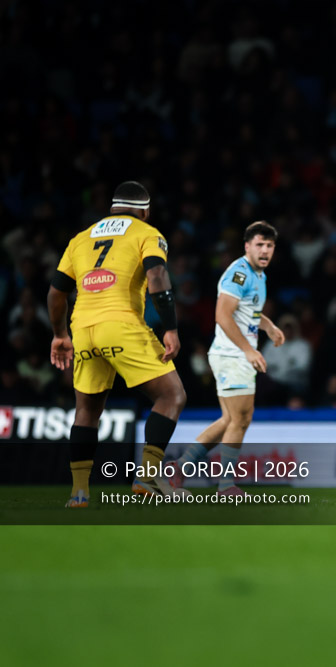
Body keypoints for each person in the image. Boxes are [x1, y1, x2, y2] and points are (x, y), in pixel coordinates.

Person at [48, 180, 187, 507]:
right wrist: (170, 327)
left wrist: (59, 334)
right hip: (121, 325)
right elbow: (156, 276)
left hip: (83, 329)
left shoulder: (80, 239)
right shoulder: (147, 233)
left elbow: (56, 293)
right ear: (145, 211)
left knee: (86, 411)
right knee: (172, 395)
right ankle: (148, 477)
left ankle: (79, 493)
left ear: (112, 208)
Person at [173, 222, 283, 495]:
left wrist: (268, 326)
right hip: (232, 354)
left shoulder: (258, 275)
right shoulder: (239, 273)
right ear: (247, 246)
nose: (265, 250)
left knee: (230, 419)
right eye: (259, 245)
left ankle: (179, 469)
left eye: (269, 246)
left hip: (234, 354)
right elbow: (222, 315)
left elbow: (247, 312)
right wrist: (248, 349)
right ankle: (225, 485)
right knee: (241, 418)